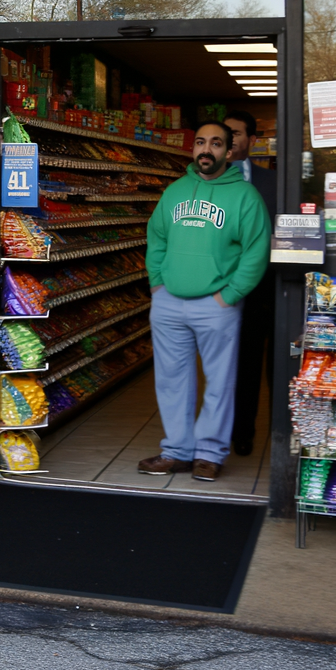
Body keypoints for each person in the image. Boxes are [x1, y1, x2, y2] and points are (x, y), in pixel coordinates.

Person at [139, 122, 270, 482]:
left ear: (229, 152)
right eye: (200, 142)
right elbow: (157, 239)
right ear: (192, 149)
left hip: (216, 305)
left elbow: (256, 251)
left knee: (219, 381)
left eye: (215, 143)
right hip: (169, 303)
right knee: (171, 380)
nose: (206, 150)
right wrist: (157, 286)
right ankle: (177, 452)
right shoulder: (175, 191)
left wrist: (229, 296)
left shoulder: (245, 196)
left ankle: (209, 454)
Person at [224, 110, 278, 457]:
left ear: (252, 141)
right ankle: (241, 434)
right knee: (241, 367)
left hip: (272, 286)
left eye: (237, 134)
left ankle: (281, 435)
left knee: (278, 365)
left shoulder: (274, 182)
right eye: (224, 134)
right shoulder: (207, 182)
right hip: (228, 289)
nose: (230, 140)